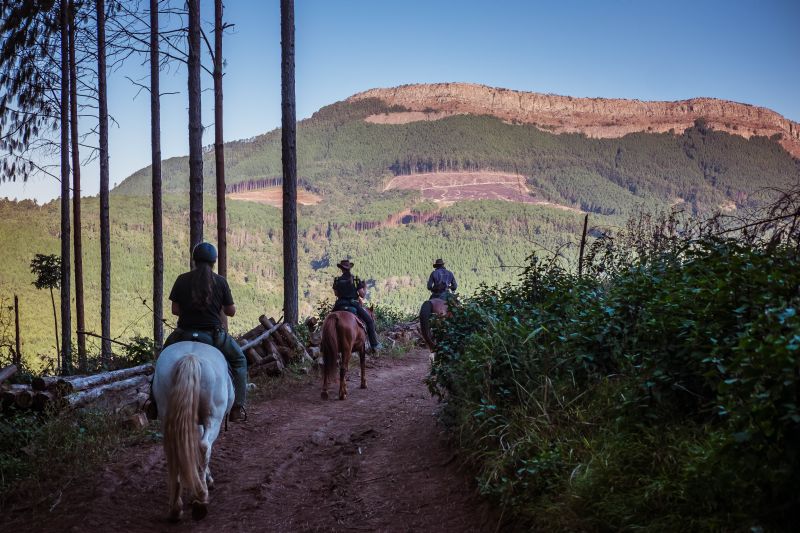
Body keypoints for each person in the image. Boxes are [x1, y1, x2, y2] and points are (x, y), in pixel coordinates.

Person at [145, 242, 248, 422]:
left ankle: (153, 404)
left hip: (184, 333)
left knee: (161, 359)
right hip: (214, 335)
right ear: (214, 262)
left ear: (194, 260)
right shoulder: (220, 281)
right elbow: (231, 311)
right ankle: (238, 407)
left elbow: (175, 310)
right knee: (239, 361)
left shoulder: (182, 279)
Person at [332, 259, 382, 352]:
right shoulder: (355, 279)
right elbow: (362, 295)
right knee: (369, 321)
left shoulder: (337, 280)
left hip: (339, 304)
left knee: (328, 321)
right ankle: (374, 345)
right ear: (349, 268)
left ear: (341, 269)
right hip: (353, 304)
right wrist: (365, 287)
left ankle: (323, 345)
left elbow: (336, 294)